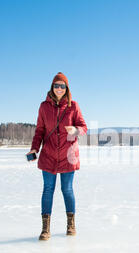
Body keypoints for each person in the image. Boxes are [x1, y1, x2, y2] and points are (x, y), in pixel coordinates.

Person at [27, 72, 87, 241]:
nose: (59, 88)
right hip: (49, 155)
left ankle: (71, 225)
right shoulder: (44, 107)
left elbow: (83, 127)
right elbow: (39, 131)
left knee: (67, 190)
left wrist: (76, 130)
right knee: (48, 190)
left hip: (69, 155)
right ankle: (45, 229)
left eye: (62, 86)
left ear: (66, 88)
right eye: (56, 85)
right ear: (52, 88)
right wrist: (34, 149)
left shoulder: (73, 106)